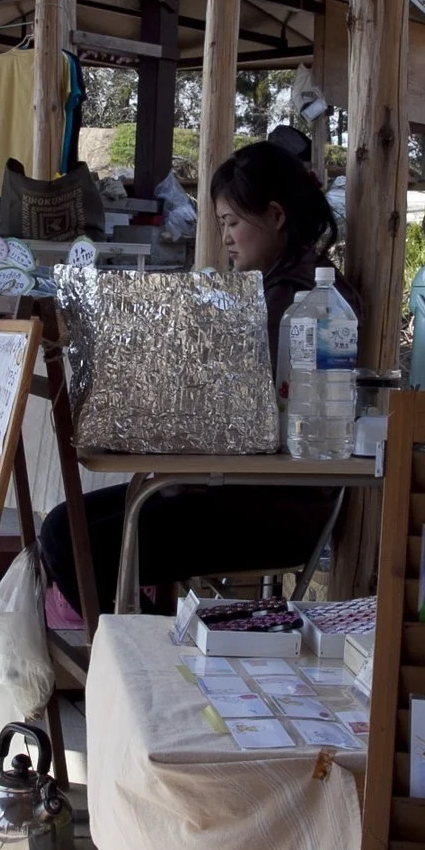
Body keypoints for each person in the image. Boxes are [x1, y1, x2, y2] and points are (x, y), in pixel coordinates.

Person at [37, 141, 346, 617]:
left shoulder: (305, 300)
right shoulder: (272, 289)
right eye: (222, 224)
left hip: (274, 506)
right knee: (62, 528)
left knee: (74, 543)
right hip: (231, 488)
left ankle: (147, 658)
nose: (225, 237)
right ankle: (147, 644)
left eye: (232, 223)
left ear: (276, 217)